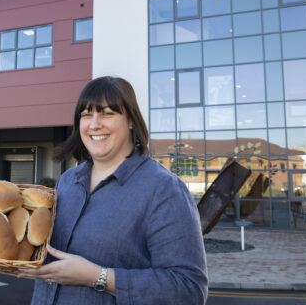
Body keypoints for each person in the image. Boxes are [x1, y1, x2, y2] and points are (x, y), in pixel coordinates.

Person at [18, 76, 208, 304]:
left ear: (130, 121)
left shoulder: (164, 189)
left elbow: (189, 288)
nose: (94, 124)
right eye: (86, 114)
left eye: (107, 113)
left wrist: (98, 277)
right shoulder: (67, 181)